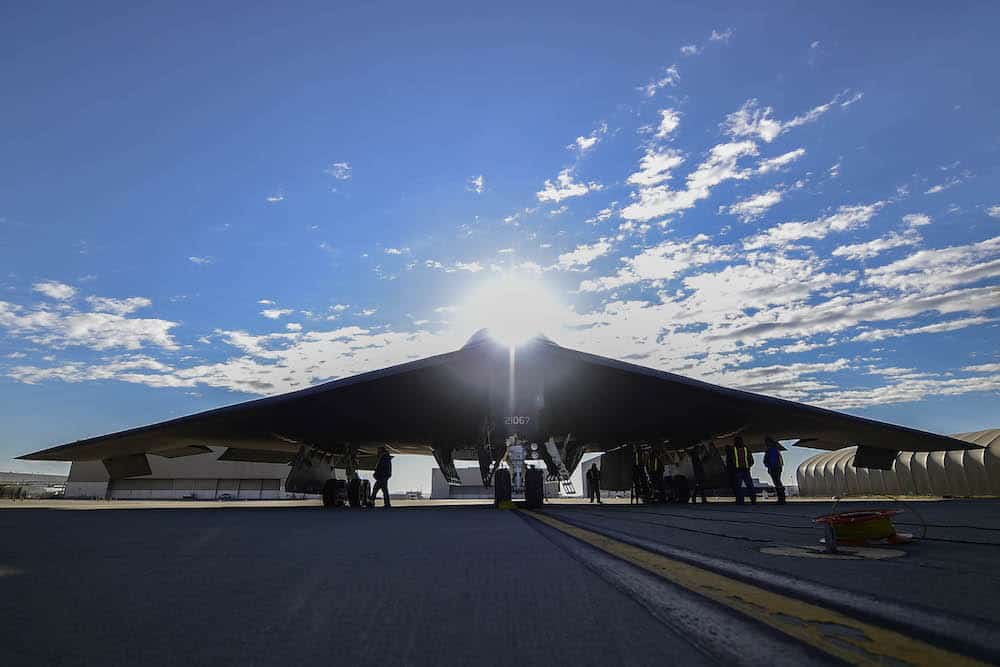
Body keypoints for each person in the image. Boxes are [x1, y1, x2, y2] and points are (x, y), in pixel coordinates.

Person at [726, 436, 756, 505]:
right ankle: (753, 500)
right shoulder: (746, 448)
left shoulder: (733, 449)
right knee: (749, 485)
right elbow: (751, 460)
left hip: (738, 471)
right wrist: (748, 467)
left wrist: (731, 469)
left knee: (738, 486)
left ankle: (740, 501)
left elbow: (729, 461)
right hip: (745, 470)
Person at [763, 436, 786, 504]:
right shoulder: (775, 449)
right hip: (777, 467)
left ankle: (781, 499)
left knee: (777, 482)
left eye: (766, 442)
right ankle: (781, 498)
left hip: (774, 468)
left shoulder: (771, 450)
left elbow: (772, 460)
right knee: (778, 482)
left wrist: (770, 467)